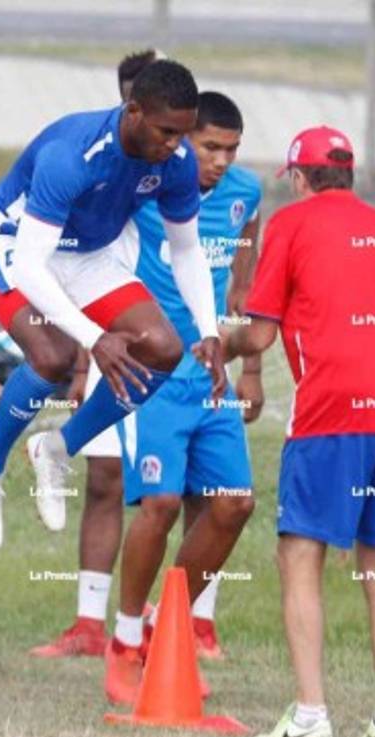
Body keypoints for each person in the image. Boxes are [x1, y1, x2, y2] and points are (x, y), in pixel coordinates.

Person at [0, 59, 223, 551]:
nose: (175, 146)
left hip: (88, 252)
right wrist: (95, 338)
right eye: (166, 132)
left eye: (183, 134)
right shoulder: (73, 154)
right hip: (13, 246)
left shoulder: (178, 160)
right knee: (53, 356)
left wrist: (208, 329)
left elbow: (186, 249)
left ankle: (58, 446)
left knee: (163, 348)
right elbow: (30, 269)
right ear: (133, 112)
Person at [232, 126, 375, 737]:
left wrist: (212, 340)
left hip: (333, 405)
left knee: (299, 552)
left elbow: (259, 335)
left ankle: (313, 714)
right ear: (348, 173)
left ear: (299, 177)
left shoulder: (290, 224)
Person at [101, 91, 262, 704]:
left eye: (230, 149)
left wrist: (251, 366)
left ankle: (159, 629)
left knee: (233, 505)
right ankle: (121, 640)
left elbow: (245, 265)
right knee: (161, 504)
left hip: (213, 373)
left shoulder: (246, 191)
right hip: (153, 371)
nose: (220, 161)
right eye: (209, 147)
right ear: (183, 138)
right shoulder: (142, 184)